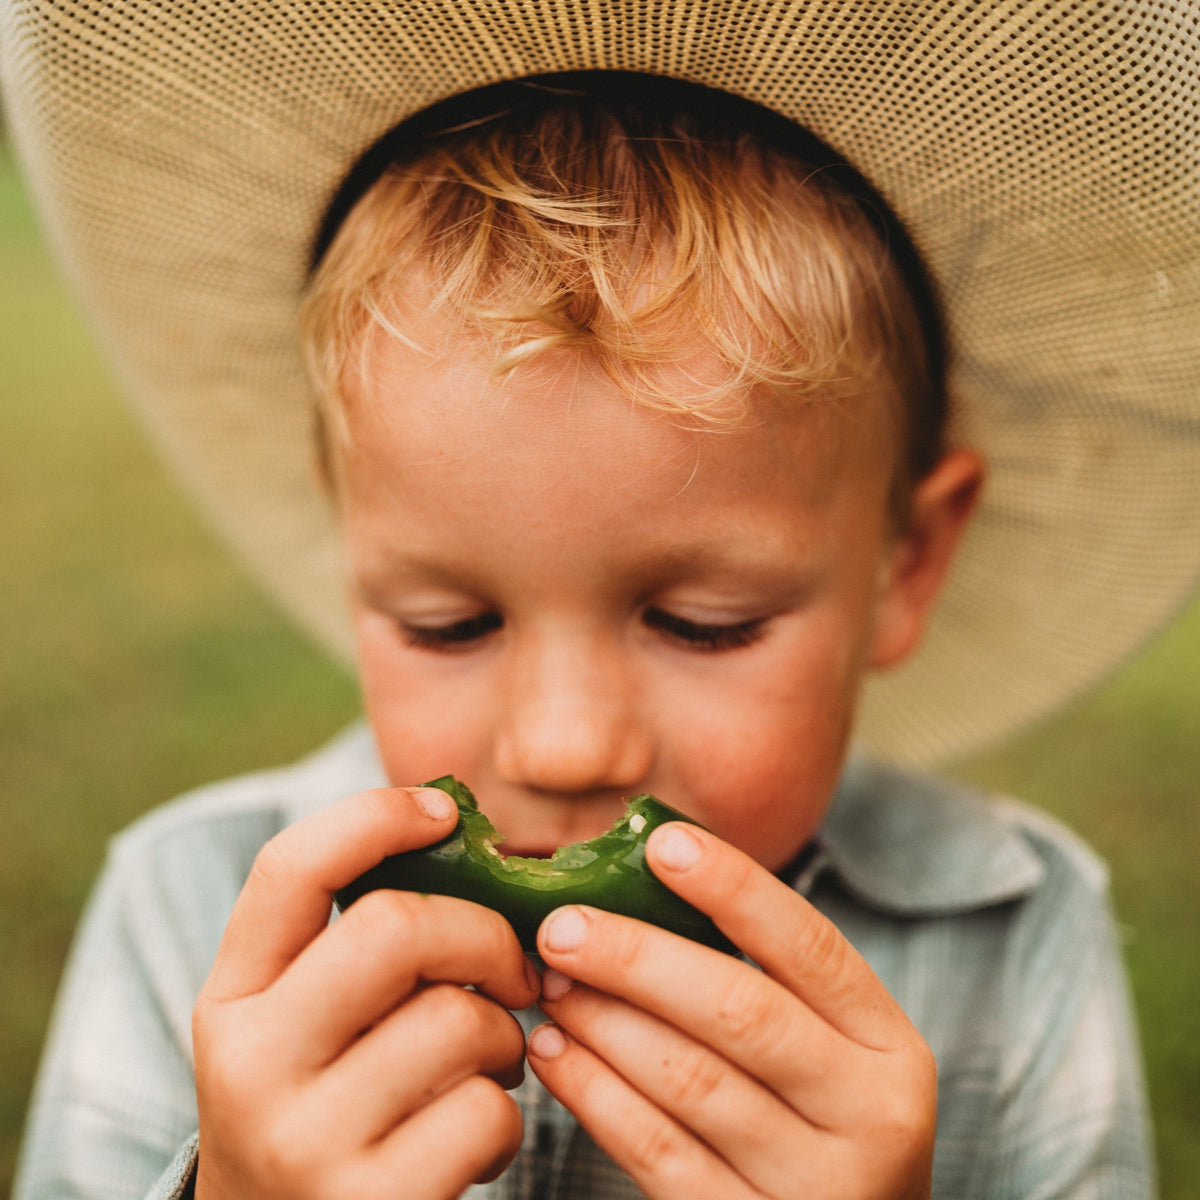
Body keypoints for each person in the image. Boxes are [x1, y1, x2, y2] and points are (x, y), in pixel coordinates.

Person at [5, 4, 1197, 1199]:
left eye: (705, 623)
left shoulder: (1014, 932)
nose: (564, 746)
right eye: (448, 624)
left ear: (909, 561)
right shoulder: (187, 906)